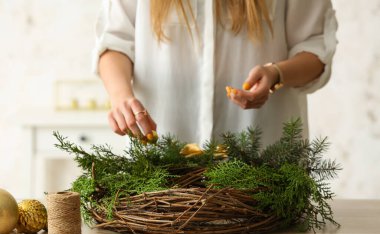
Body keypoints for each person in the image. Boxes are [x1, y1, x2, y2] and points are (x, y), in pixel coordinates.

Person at [93, 0, 337, 146]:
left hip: (265, 164)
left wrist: (276, 73)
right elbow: (115, 40)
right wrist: (121, 96)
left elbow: (315, 48)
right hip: (157, 170)